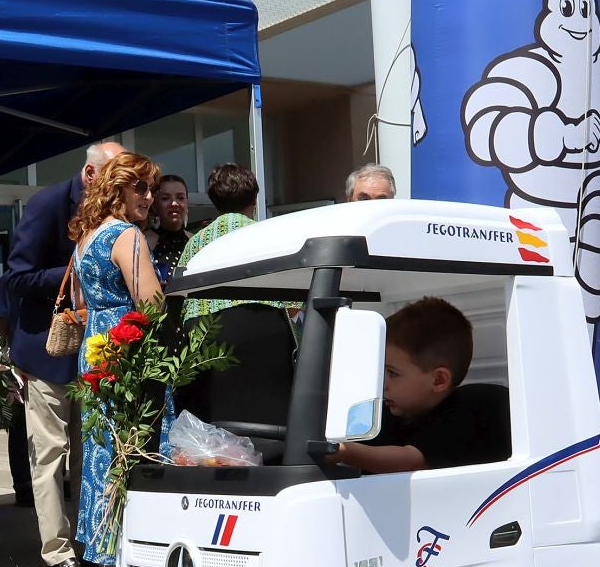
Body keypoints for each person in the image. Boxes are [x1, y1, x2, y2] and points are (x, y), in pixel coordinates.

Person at [0, 141, 124, 567]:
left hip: (92, 353)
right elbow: (16, 277)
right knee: (50, 454)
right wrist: (77, 269)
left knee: (89, 454)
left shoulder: (113, 213)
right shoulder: (48, 203)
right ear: (90, 174)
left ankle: (91, 545)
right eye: (114, 176)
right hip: (45, 352)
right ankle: (57, 552)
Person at [70, 152, 165, 567]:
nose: (149, 197)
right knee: (136, 446)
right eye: (140, 188)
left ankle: (108, 565)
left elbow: (78, 299)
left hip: (95, 349)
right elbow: (151, 303)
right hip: (128, 351)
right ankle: (140, 559)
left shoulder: (86, 238)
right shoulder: (127, 236)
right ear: (118, 189)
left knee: (102, 449)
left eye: (151, 189)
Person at [172, 164, 296, 456]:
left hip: (206, 337)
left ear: (215, 201)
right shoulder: (270, 234)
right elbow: (293, 303)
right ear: (254, 201)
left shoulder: (196, 242)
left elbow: (182, 297)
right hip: (266, 337)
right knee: (269, 429)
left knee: (214, 430)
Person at [333, 296, 511, 473]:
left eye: (392, 373)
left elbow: (410, 462)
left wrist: (338, 450)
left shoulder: (470, 409)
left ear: (438, 380)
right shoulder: (394, 411)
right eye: (380, 371)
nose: (382, 384)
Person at [148, 174, 191, 281]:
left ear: (187, 203)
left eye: (180, 198)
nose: (174, 203)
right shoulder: (143, 241)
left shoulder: (195, 241)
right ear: (154, 204)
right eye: (165, 198)